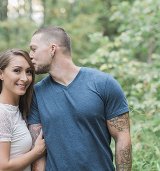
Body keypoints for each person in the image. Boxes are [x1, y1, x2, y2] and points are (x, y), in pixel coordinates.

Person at [28, 26, 132, 171]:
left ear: (52, 49)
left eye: (34, 49)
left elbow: (122, 139)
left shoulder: (104, 83)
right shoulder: (35, 94)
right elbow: (38, 152)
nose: (30, 55)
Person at [0, 49, 46, 171]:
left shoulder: (15, 110)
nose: (25, 78)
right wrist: (37, 151)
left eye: (28, 72)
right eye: (17, 71)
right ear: (0, 74)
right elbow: (0, 167)